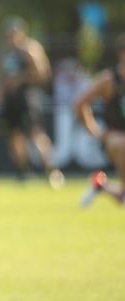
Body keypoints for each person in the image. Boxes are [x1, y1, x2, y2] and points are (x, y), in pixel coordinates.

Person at [0, 16, 65, 188]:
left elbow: (42, 73)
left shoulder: (29, 49)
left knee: (35, 133)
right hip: (10, 100)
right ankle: (23, 172)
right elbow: (1, 76)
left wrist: (20, 79)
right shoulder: (7, 52)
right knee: (14, 135)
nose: (11, 36)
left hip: (26, 97)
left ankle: (51, 170)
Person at [75, 34, 125, 207]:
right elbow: (80, 104)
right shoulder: (108, 80)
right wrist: (95, 131)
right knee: (121, 142)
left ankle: (100, 185)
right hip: (115, 137)